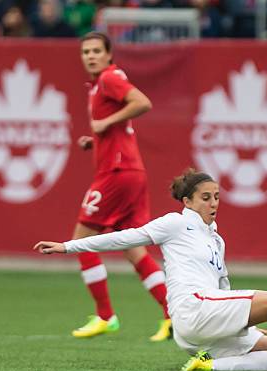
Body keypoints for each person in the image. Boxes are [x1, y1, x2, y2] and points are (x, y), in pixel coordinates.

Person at [34, 169, 267, 371]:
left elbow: (225, 291)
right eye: (205, 198)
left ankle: (211, 365)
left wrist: (248, 323)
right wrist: (67, 246)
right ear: (188, 202)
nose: (213, 203)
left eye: (216, 197)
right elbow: (124, 237)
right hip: (194, 309)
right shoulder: (175, 224)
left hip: (206, 321)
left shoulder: (216, 239)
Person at [68, 32, 171, 341]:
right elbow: (117, 126)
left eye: (97, 51)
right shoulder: (101, 83)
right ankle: (172, 315)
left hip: (117, 172)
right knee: (134, 250)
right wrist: (96, 139)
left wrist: (106, 123)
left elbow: (142, 102)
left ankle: (105, 315)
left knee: (81, 241)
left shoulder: (110, 78)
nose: (90, 56)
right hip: (129, 171)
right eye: (86, 51)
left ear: (109, 53)